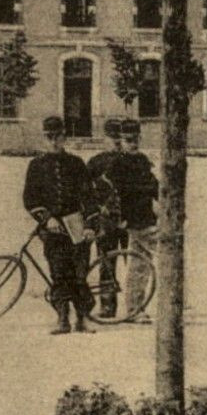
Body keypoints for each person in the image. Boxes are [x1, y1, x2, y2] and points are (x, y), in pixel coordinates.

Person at [23, 115, 99, 334]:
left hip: (76, 225)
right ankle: (62, 318)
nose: (54, 141)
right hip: (53, 230)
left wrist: (89, 225)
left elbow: (89, 196)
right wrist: (47, 219)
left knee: (79, 273)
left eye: (58, 137)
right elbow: (30, 199)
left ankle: (83, 318)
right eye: (50, 137)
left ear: (65, 137)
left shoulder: (76, 164)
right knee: (58, 272)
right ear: (44, 138)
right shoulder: (36, 166)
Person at [106, 117, 159, 322]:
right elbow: (112, 193)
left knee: (141, 264)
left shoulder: (143, 160)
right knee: (143, 262)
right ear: (121, 140)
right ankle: (135, 308)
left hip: (146, 217)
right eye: (128, 140)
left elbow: (153, 185)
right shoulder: (117, 164)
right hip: (132, 220)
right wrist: (120, 218)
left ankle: (135, 307)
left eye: (136, 139)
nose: (133, 143)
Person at [86, 117, 126, 319]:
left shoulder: (131, 160)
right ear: (105, 138)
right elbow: (85, 191)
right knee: (107, 262)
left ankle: (138, 306)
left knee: (134, 260)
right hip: (106, 220)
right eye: (112, 138)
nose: (116, 142)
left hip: (128, 218)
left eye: (119, 138)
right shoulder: (96, 162)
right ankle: (107, 305)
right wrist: (98, 208)